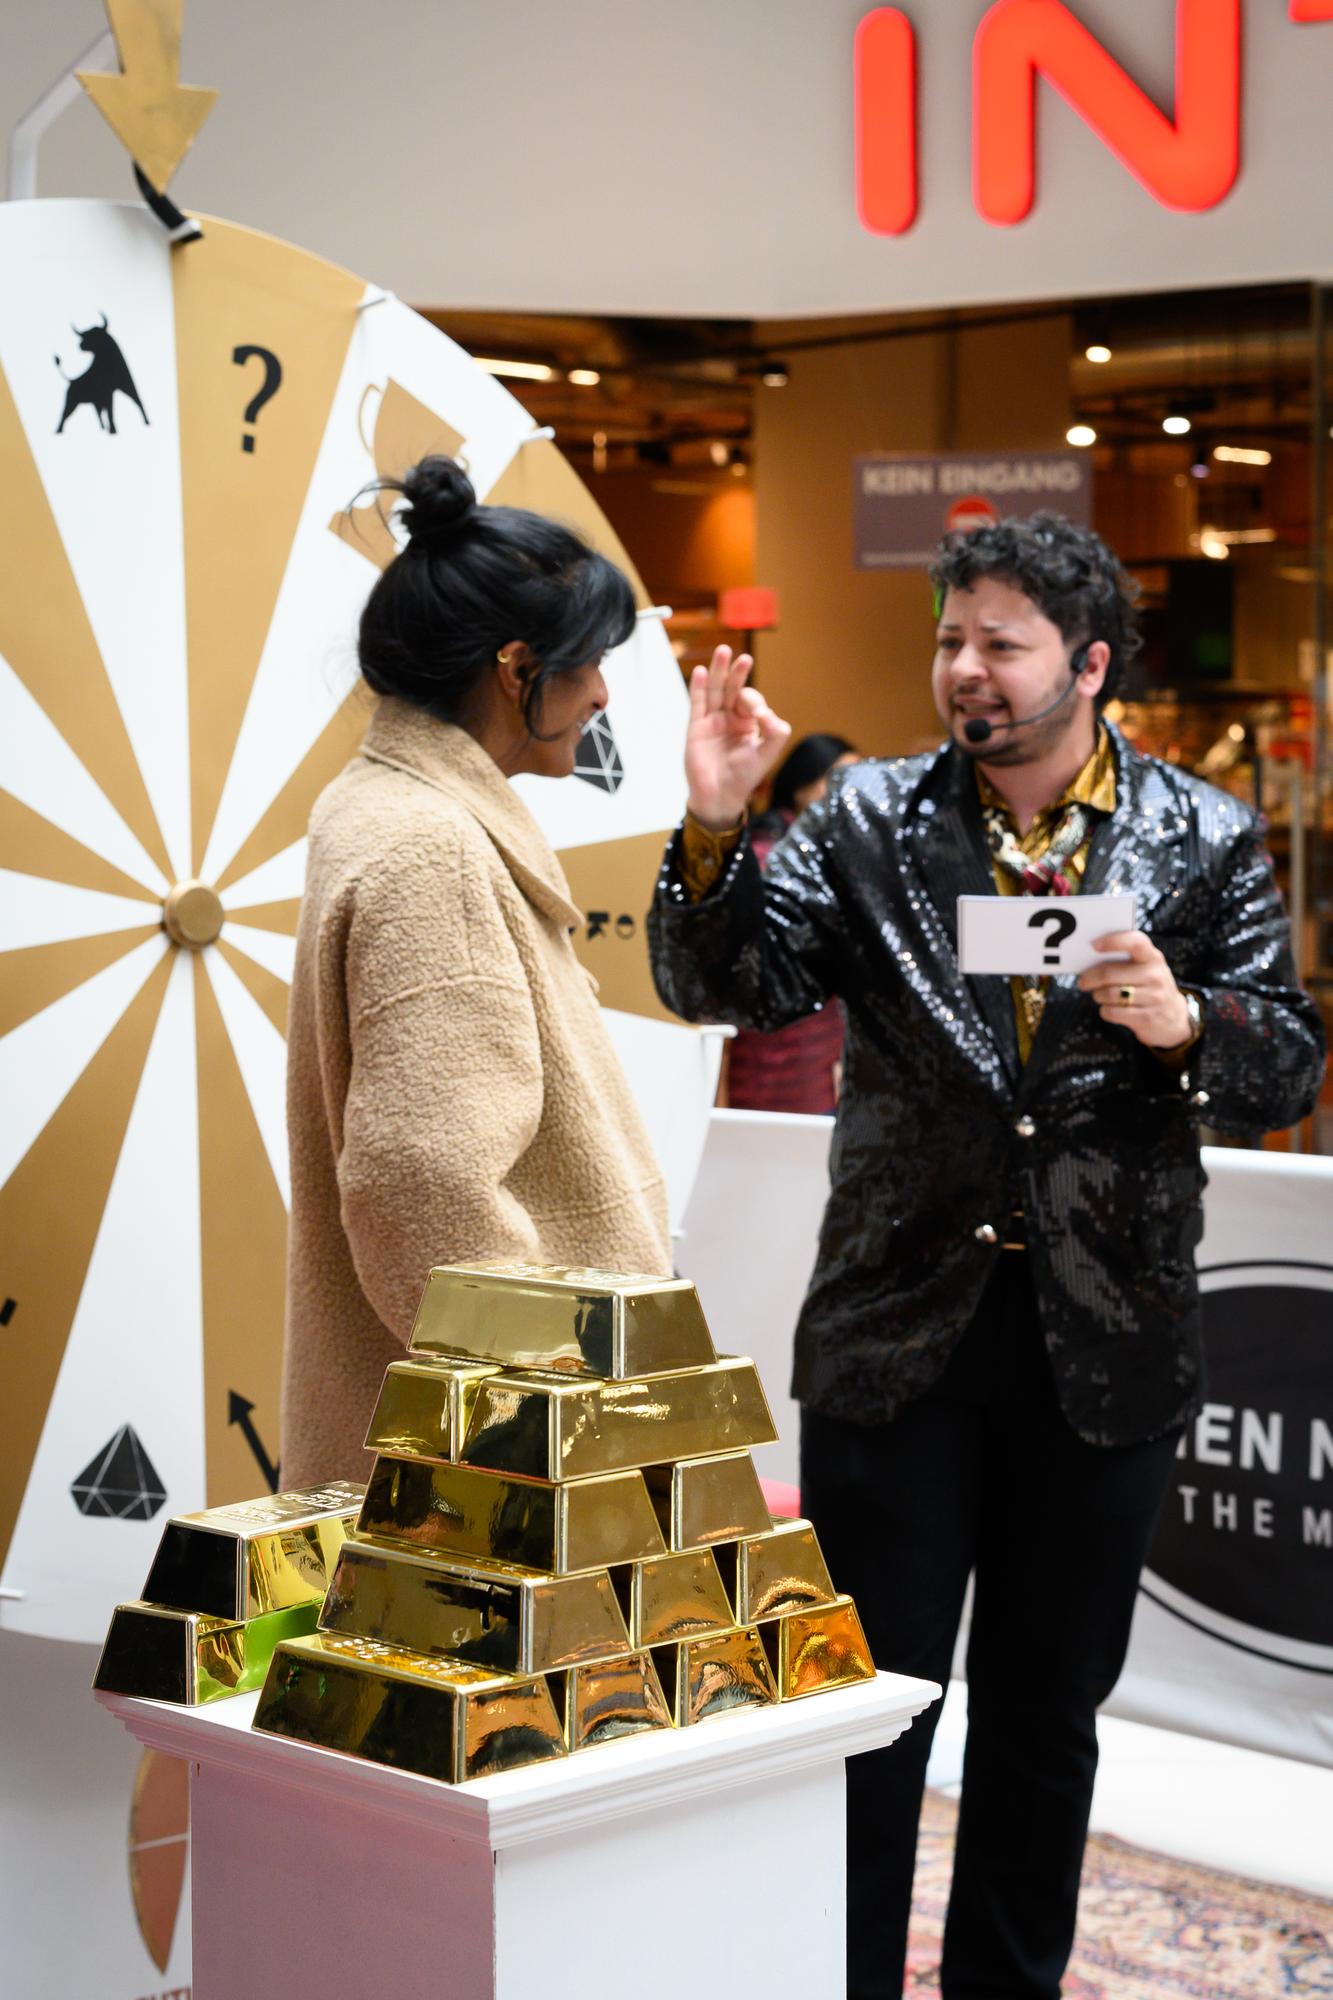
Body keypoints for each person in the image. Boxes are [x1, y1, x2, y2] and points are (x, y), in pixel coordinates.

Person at [647, 513, 1325, 2000]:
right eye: (950, 637)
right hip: (898, 1336)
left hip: (1105, 1340)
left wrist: (1189, 1023)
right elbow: (723, 984)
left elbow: (1286, 1058)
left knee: (1043, 1720)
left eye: (1001, 643)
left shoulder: (1205, 834)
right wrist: (712, 828)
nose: (965, 666)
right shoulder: (862, 818)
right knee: (864, 1715)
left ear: (1088, 664)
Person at [281, 457, 671, 1489]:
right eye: (589, 662)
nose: (601, 692)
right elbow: (421, 1184)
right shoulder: (431, 848)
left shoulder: (382, 806)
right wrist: (543, 1421)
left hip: (451, 1441)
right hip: (491, 1474)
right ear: (515, 668)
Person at [727, 732, 859, 1114]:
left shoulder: (826, 850)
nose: (850, 793)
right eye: (837, 779)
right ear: (801, 788)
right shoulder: (767, 853)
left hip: (821, 1048)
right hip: (778, 1053)